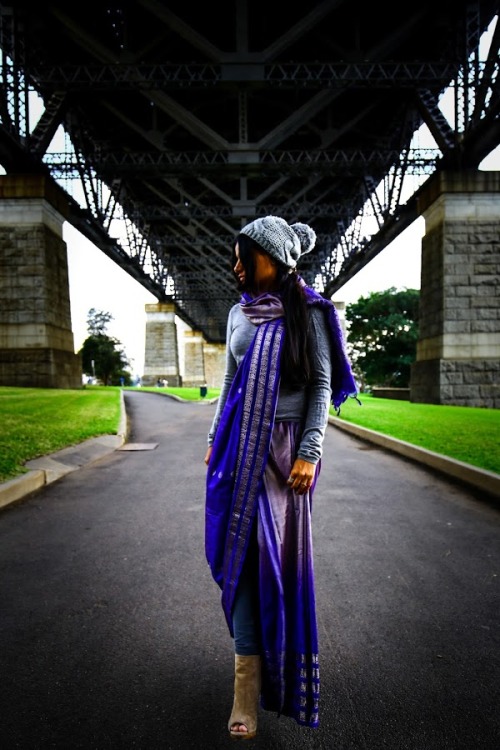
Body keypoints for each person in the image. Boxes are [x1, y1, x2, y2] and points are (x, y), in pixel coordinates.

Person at [204, 215, 357, 739]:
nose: (237, 265)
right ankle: (245, 687)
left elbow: (320, 386)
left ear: (274, 258)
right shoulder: (237, 315)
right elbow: (228, 380)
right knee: (240, 563)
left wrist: (310, 453)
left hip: (286, 453)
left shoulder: (309, 312)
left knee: (274, 564)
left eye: (245, 255)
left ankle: (281, 673)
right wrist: (211, 441)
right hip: (235, 449)